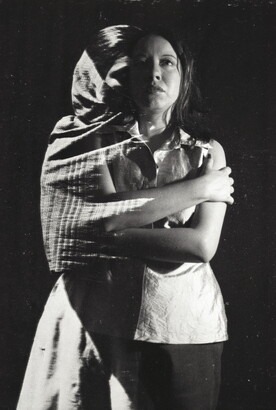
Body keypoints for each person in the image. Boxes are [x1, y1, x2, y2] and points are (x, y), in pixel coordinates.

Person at [17, 25, 234, 410]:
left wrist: (113, 226)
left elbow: (201, 245)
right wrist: (199, 190)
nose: (154, 73)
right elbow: (103, 222)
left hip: (184, 322)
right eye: (140, 64)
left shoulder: (207, 151)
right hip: (99, 318)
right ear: (123, 77)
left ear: (183, 77)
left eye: (167, 63)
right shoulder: (92, 141)